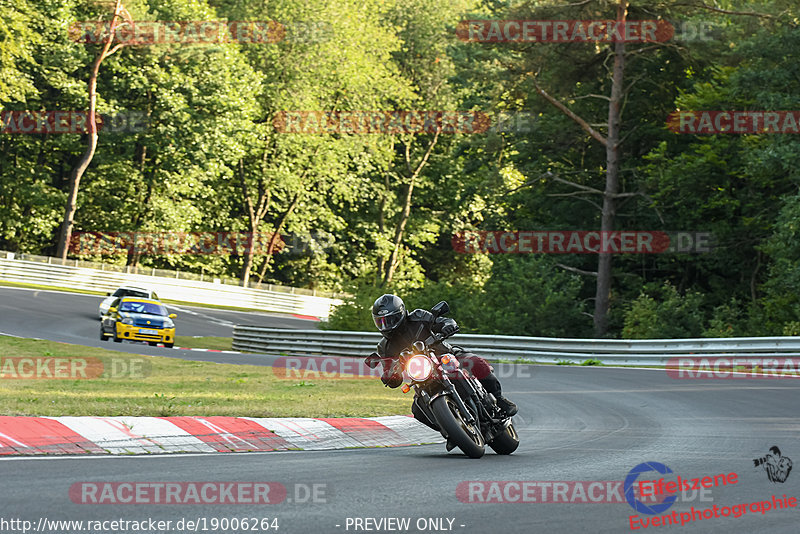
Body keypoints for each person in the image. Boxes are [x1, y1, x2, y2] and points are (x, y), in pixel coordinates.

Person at [369, 294, 518, 431]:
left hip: (446, 356)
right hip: (422, 377)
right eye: (380, 322)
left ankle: (499, 400)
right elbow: (390, 372)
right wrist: (390, 376)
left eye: (389, 320)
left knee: (475, 362)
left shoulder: (418, 317)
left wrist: (448, 326)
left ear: (401, 314)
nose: (385, 325)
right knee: (418, 411)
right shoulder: (384, 347)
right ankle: (450, 430)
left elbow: (442, 321)